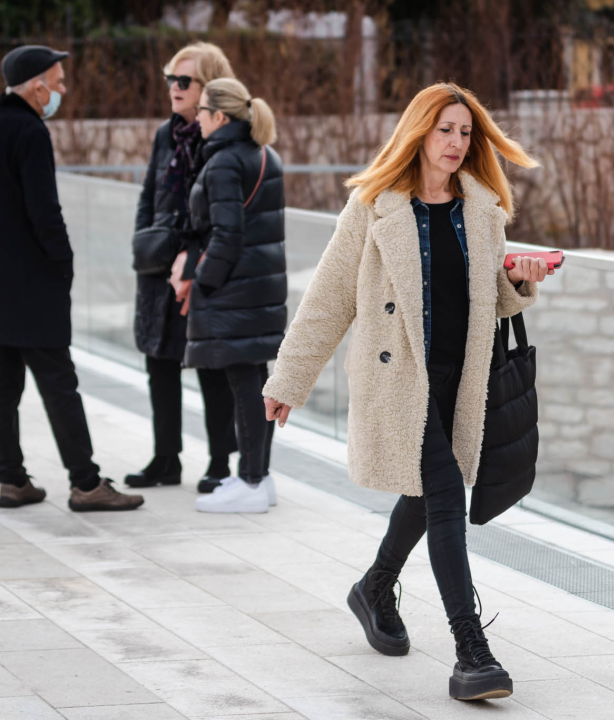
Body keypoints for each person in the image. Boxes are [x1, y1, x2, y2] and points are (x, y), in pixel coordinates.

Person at [262, 83, 555, 701]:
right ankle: (471, 649)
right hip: (400, 382)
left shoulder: (481, 209)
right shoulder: (375, 207)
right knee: (446, 497)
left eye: (466, 132)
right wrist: (290, 377)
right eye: (445, 129)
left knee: (426, 497)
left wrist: (521, 278)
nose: (456, 143)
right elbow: (329, 298)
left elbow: (489, 298)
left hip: (459, 380)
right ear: (419, 132)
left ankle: (374, 587)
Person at [0, 45, 143, 512]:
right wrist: (62, 263)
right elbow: (45, 210)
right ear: (36, 86)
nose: (61, 91)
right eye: (57, 83)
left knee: (3, 386)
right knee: (60, 384)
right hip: (33, 284)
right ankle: (85, 483)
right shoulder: (29, 130)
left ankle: (9, 478)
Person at [125, 42, 239, 493]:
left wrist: (192, 263)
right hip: (157, 269)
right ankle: (166, 458)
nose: (174, 87)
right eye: (171, 77)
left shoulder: (224, 138)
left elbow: (223, 216)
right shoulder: (164, 135)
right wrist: (143, 246)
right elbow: (149, 197)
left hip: (202, 268)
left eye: (184, 80)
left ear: (208, 86)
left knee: (210, 367)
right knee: (160, 361)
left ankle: (219, 462)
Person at [179, 78, 285, 514]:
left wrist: (199, 281)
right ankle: (259, 475)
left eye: (202, 111)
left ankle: (251, 481)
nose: (197, 119)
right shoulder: (264, 153)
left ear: (220, 117)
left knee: (245, 384)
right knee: (256, 383)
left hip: (233, 292)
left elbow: (226, 234)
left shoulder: (223, 163)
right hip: (259, 289)